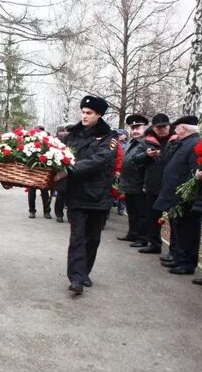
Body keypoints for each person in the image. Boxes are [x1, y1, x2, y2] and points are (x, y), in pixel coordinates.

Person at [54, 96, 117, 294]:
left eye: (89, 113)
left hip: (98, 194)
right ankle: (76, 278)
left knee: (93, 238)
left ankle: (84, 272)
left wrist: (70, 169)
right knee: (77, 237)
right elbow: (58, 153)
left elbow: (99, 160)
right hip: (76, 193)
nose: (84, 116)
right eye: (83, 112)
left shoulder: (109, 137)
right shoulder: (72, 135)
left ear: (99, 114)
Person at [154, 116, 202, 275]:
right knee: (178, 228)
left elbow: (194, 172)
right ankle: (177, 255)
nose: (174, 131)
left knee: (188, 231)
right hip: (175, 195)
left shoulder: (195, 144)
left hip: (185, 197)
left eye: (176, 127)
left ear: (183, 128)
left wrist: (188, 194)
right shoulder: (182, 143)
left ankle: (186, 262)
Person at [132, 113, 173, 254]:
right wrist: (147, 155)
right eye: (158, 127)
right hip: (152, 184)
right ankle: (154, 244)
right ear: (153, 128)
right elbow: (135, 159)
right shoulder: (146, 141)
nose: (162, 130)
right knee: (153, 216)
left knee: (173, 219)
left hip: (171, 186)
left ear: (169, 126)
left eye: (164, 127)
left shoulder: (176, 140)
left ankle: (173, 251)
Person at [116, 114, 148, 246]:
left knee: (141, 213)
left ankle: (142, 238)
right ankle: (132, 233)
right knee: (132, 211)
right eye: (133, 127)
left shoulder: (146, 142)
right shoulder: (130, 142)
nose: (135, 130)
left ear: (144, 127)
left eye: (138, 127)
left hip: (140, 183)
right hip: (129, 183)